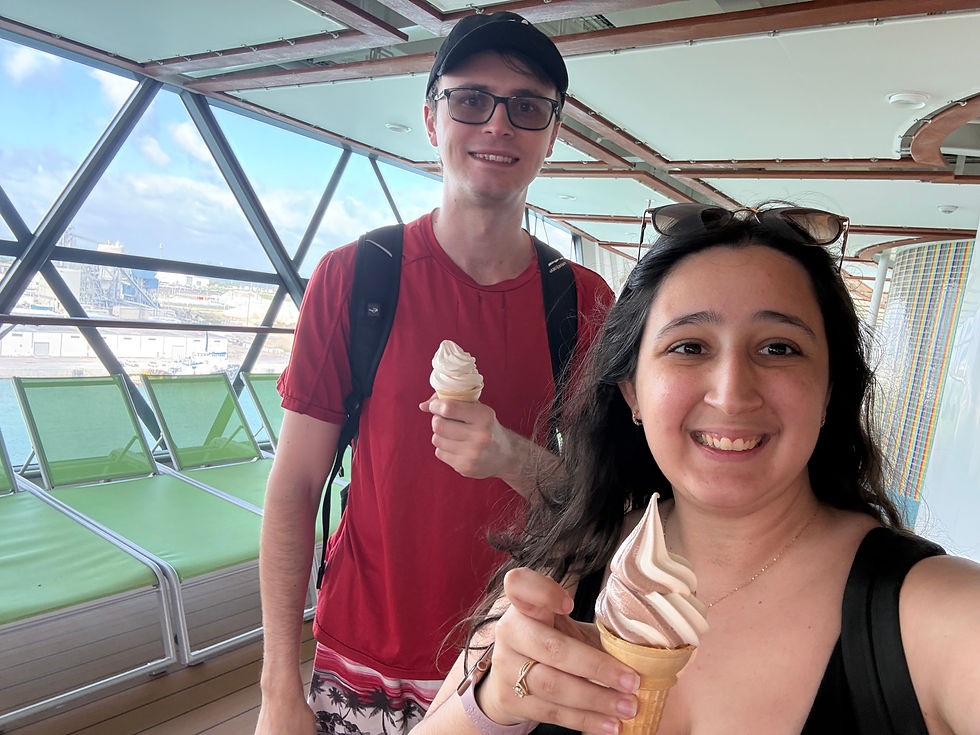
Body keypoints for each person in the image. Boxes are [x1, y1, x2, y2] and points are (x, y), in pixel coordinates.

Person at [412, 203, 980, 735]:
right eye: (689, 347)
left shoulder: (937, 616)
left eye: (779, 348)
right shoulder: (567, 568)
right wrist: (490, 709)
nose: (732, 395)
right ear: (632, 390)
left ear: (830, 390)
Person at [254, 12, 614, 735]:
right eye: (471, 98)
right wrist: (274, 688)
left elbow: (604, 503)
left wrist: (510, 455)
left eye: (528, 106)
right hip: (360, 652)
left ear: (552, 133)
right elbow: (294, 486)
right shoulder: (355, 277)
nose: (498, 124)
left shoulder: (582, 303)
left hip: (505, 657)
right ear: (431, 118)